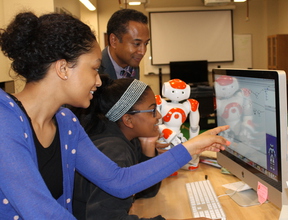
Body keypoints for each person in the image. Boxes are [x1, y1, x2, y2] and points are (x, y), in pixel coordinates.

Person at [0, 11, 229, 219]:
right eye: (94, 69)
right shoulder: (4, 123)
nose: (99, 80)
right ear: (63, 68)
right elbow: (43, 214)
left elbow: (119, 180)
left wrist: (193, 147)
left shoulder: (65, 122)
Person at [72, 75, 205, 220]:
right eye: (153, 110)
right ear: (128, 120)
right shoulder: (114, 151)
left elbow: (146, 191)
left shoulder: (126, 138)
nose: (159, 116)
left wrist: (148, 147)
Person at [100, 9, 149, 80]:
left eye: (146, 43)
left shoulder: (133, 64)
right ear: (114, 41)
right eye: (136, 44)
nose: (143, 52)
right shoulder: (96, 71)